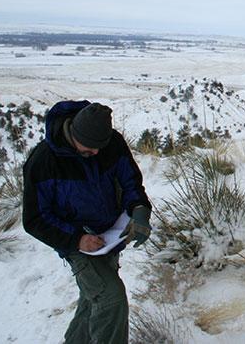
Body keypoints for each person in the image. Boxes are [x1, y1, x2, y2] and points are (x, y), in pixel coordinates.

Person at [22, 100, 152, 344]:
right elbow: (34, 218)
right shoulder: (43, 161)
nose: (96, 154)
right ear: (73, 134)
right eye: (89, 150)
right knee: (110, 298)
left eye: (100, 148)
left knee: (94, 297)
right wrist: (77, 239)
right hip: (75, 242)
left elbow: (130, 182)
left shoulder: (112, 143)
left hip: (110, 236)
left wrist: (140, 209)